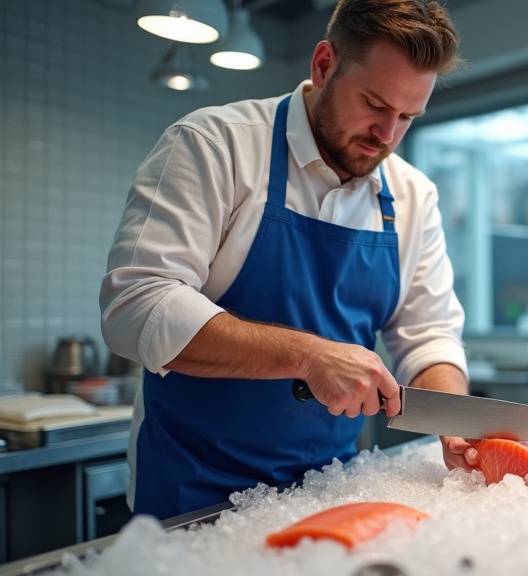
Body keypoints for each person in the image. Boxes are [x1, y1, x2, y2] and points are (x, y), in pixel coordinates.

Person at [100, 0, 476, 520]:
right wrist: (310, 357)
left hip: (332, 490)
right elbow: (137, 306)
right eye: (374, 104)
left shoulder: (414, 196)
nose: (387, 136)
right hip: (194, 494)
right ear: (323, 64)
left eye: (408, 117)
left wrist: (452, 415)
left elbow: (429, 333)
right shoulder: (216, 145)